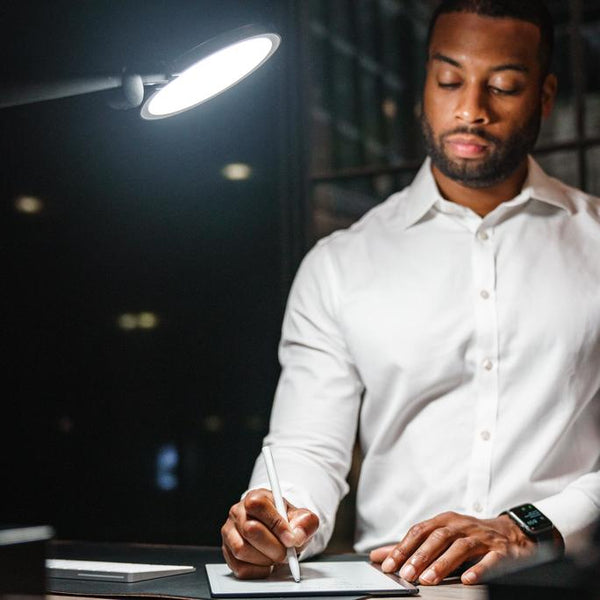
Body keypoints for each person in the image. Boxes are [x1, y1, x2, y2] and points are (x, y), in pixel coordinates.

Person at [221, 0, 600, 586]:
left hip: (565, 586)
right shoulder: (339, 265)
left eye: (502, 85)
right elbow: (306, 449)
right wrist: (276, 521)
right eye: (449, 80)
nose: (471, 109)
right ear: (425, 83)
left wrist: (527, 526)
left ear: (545, 97)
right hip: (391, 589)